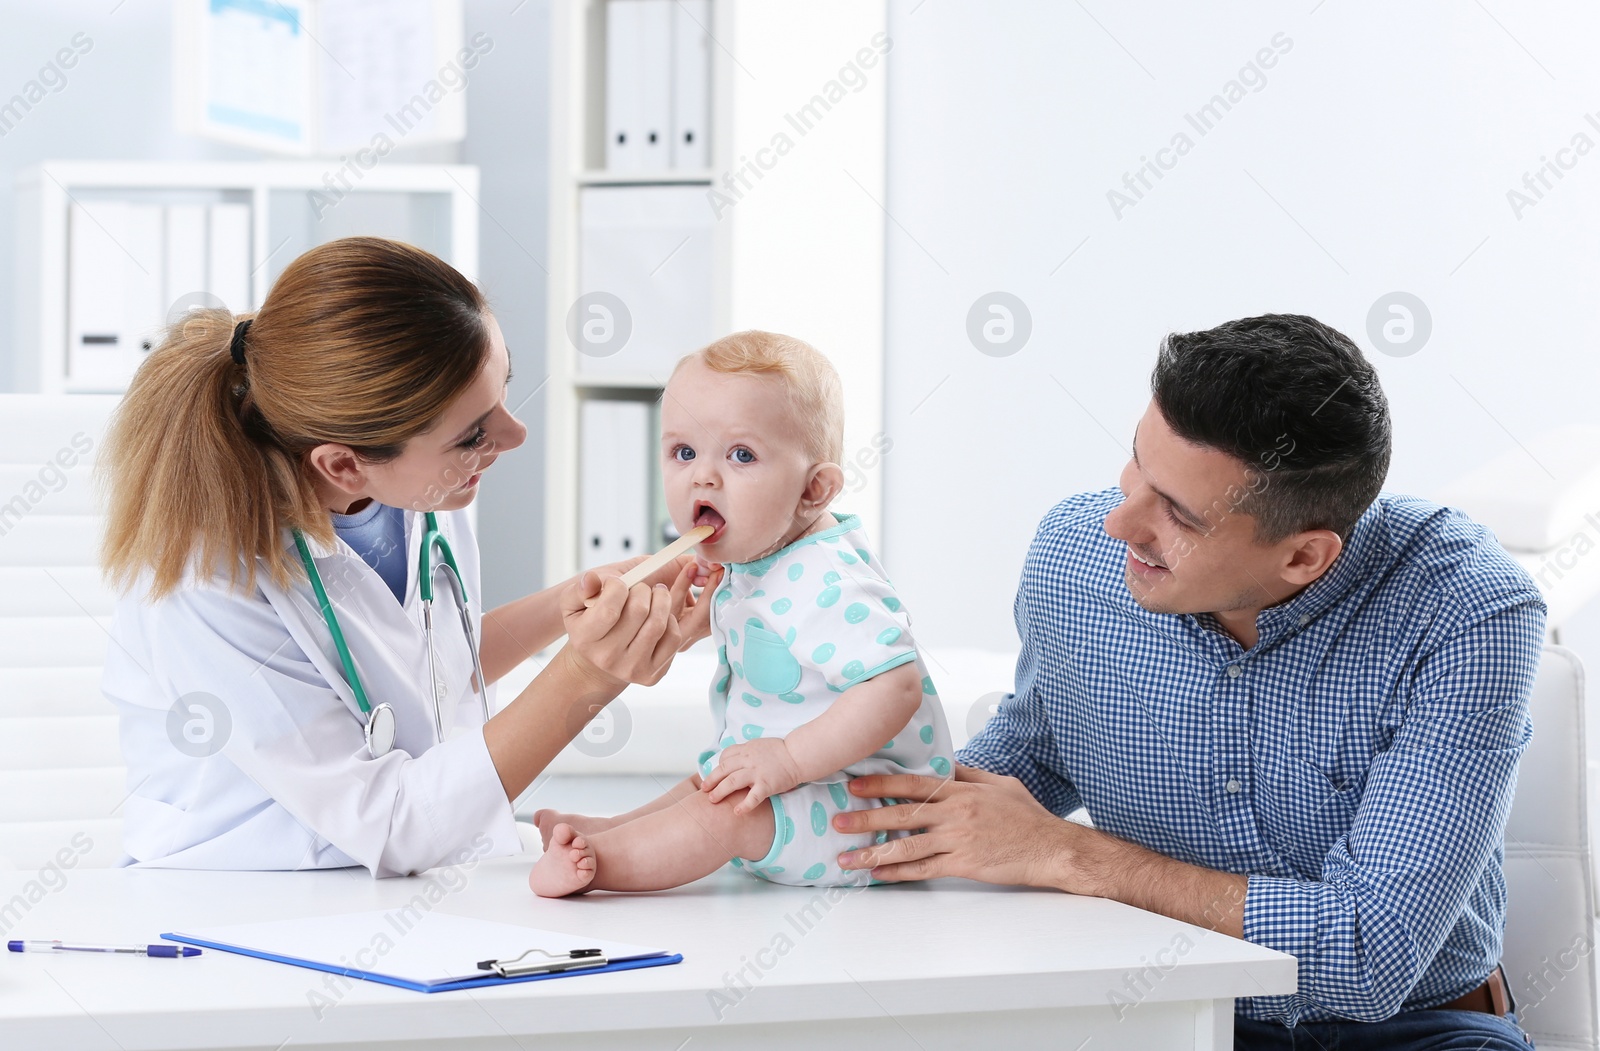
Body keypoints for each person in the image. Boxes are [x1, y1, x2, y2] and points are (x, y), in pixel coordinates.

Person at [833, 315, 1543, 1048]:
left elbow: (1370, 953)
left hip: (1417, 1026)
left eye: (1177, 513)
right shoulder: (1073, 560)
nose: (1119, 523)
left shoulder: (1468, 611)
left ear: (1303, 557)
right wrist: (792, 783)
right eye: (1138, 466)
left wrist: (1073, 854)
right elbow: (1038, 753)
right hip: (1169, 1013)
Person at [100, 236, 712, 878]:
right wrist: (587, 678)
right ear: (343, 463)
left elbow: (421, 668)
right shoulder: (206, 584)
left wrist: (569, 605)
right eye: (474, 434)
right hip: (255, 902)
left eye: (503, 391)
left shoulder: (420, 493)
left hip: (419, 875)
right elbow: (390, 825)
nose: (514, 434)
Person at [529, 331, 953, 896]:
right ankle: (608, 830)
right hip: (805, 786)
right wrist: (680, 618)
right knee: (708, 783)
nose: (702, 477)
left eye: (741, 455)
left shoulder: (828, 579)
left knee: (725, 811)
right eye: (684, 452)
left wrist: (789, 758)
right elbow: (751, 624)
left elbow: (893, 688)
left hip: (869, 809)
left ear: (814, 489)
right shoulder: (762, 553)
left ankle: (600, 864)